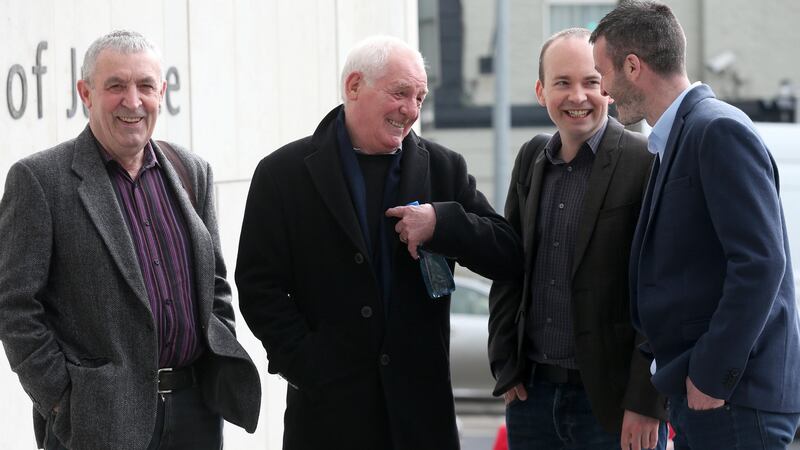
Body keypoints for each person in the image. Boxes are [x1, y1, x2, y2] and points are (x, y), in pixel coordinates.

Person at [235, 35, 522, 450]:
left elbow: (508, 254)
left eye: (420, 97)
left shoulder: (443, 168)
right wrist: (305, 363)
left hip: (422, 420)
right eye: (400, 93)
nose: (411, 110)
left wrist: (443, 223)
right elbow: (259, 286)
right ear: (354, 87)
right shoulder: (283, 173)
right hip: (326, 416)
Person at [0, 30, 260, 450]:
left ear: (162, 91)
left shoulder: (192, 171)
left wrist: (217, 350)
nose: (133, 101)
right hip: (99, 420)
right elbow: (14, 307)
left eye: (145, 86)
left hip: (196, 412)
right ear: (85, 93)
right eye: (116, 86)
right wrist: (63, 402)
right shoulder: (41, 180)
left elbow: (214, 285)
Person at [590, 2, 800, 448]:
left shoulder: (716, 130)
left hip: (732, 402)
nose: (603, 91)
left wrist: (710, 375)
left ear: (632, 66)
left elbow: (761, 264)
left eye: (601, 73)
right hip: (703, 399)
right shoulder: (677, 138)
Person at [488, 28, 666, 450]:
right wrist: (506, 365)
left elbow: (662, 289)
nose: (578, 96)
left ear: (609, 86)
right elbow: (510, 268)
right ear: (540, 90)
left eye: (590, 81)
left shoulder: (645, 160)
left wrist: (647, 402)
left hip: (614, 407)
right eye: (562, 83)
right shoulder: (532, 159)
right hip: (533, 399)